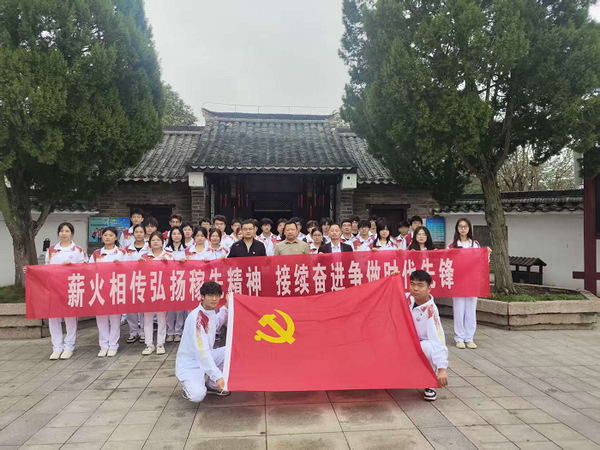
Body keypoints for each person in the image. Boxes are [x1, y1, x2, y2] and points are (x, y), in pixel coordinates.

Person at [176, 281, 230, 402]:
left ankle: (212, 385)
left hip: (206, 355)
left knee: (231, 351)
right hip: (191, 363)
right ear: (202, 296)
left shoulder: (209, 311)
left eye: (217, 295)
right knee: (197, 396)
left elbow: (215, 324)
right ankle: (188, 387)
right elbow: (202, 351)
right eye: (210, 295)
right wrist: (218, 376)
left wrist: (226, 306)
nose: (214, 299)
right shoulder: (197, 318)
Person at [43, 222, 88, 359]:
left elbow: (85, 267)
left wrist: (72, 265)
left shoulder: (77, 250)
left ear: (71, 233)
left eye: (67, 231)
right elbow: (46, 268)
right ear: (58, 233)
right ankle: (57, 347)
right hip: (54, 287)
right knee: (53, 318)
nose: (64, 233)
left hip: (71, 287)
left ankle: (69, 346)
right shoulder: (52, 250)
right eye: (61, 231)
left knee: (70, 318)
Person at [448, 218, 491, 350]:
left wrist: (487, 254)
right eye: (460, 226)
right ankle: (459, 337)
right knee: (459, 310)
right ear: (457, 228)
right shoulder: (452, 245)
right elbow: (447, 261)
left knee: (471, 310)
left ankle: (469, 337)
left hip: (472, 281)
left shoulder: (475, 244)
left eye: (465, 227)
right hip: (458, 282)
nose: (463, 229)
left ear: (469, 228)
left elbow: (482, 261)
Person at [405, 270, 448, 401]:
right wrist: (392, 278)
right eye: (412, 284)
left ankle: (430, 384)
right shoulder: (407, 298)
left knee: (428, 348)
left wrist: (442, 369)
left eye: (420, 285)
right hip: (404, 341)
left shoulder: (431, 311)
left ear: (429, 288)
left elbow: (438, 340)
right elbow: (388, 293)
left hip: (421, 344)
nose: (415, 288)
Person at [89, 227, 127, 357]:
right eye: (105, 235)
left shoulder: (122, 253)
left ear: (116, 237)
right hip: (100, 289)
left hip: (116, 289)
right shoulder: (96, 253)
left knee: (115, 319)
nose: (107, 237)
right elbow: (90, 270)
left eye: (111, 235)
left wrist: (120, 265)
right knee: (101, 319)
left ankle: (113, 345)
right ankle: (103, 345)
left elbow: (128, 269)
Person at [139, 231, 173, 355]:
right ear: (149, 243)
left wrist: (167, 264)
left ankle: (160, 344)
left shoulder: (168, 256)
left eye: (158, 240)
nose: (155, 242)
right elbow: (139, 274)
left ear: (163, 242)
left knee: (161, 318)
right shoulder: (144, 256)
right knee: (147, 318)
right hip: (148, 291)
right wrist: (139, 264)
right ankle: (149, 344)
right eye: (153, 240)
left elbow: (174, 272)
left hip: (162, 290)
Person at [124, 224, 149, 344]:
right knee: (131, 308)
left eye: (141, 232)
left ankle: (143, 331)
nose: (139, 234)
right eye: (136, 232)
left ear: (145, 234)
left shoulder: (149, 247)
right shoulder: (126, 249)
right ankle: (133, 331)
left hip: (145, 281)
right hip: (130, 281)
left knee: (144, 308)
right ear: (133, 234)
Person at [164, 226, 187, 343]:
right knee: (169, 309)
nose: (176, 236)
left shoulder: (187, 250)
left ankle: (178, 331)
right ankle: (170, 332)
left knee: (180, 309)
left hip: (181, 282)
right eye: (174, 234)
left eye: (178, 234)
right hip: (168, 282)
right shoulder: (165, 250)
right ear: (170, 236)